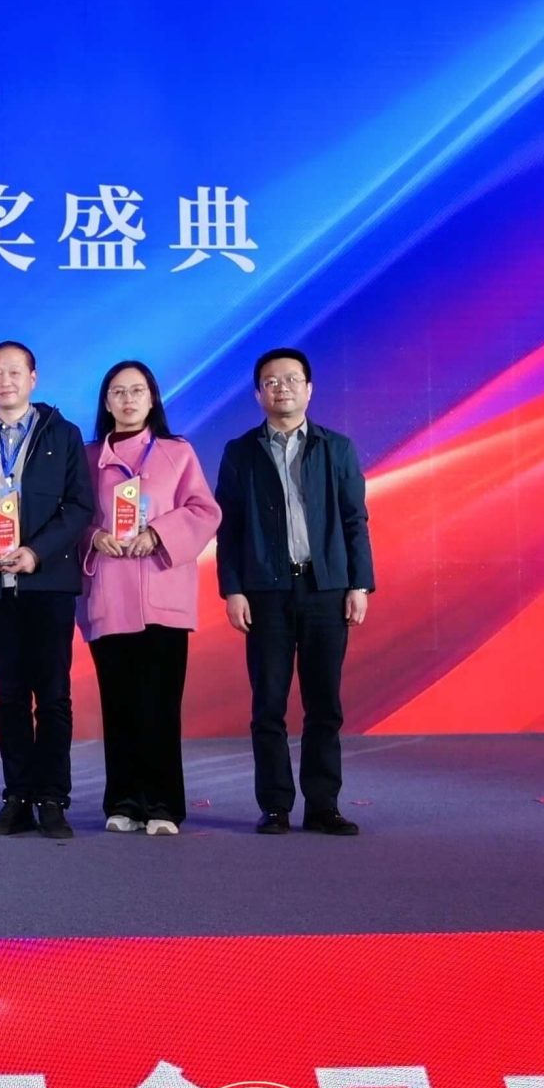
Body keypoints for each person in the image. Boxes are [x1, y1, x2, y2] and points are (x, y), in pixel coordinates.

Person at [213, 348, 374, 837]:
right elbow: (229, 528)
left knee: (324, 704)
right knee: (269, 704)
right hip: (266, 591)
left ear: (309, 388)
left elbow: (355, 520)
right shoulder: (241, 452)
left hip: (326, 588)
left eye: (291, 379)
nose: (281, 388)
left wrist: (359, 583)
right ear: (258, 394)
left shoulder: (336, 448)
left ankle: (323, 805)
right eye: (271, 381)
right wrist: (233, 590)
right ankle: (276, 805)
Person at [0, 341, 95, 840]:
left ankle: (53, 798)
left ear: (33, 378)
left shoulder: (63, 433)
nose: (6, 381)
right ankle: (16, 797)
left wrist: (37, 552)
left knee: (53, 694)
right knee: (9, 693)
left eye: (15, 372)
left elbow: (79, 507)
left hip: (48, 581)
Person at [77, 361, 221, 836]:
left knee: (161, 705)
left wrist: (158, 533)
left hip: (164, 595)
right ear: (106, 402)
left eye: (137, 390)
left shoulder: (177, 453)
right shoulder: (87, 458)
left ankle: (163, 805)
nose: (128, 400)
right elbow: (71, 518)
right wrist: (95, 537)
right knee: (118, 705)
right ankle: (123, 802)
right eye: (118, 392)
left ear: (153, 397)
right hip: (109, 596)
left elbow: (204, 510)